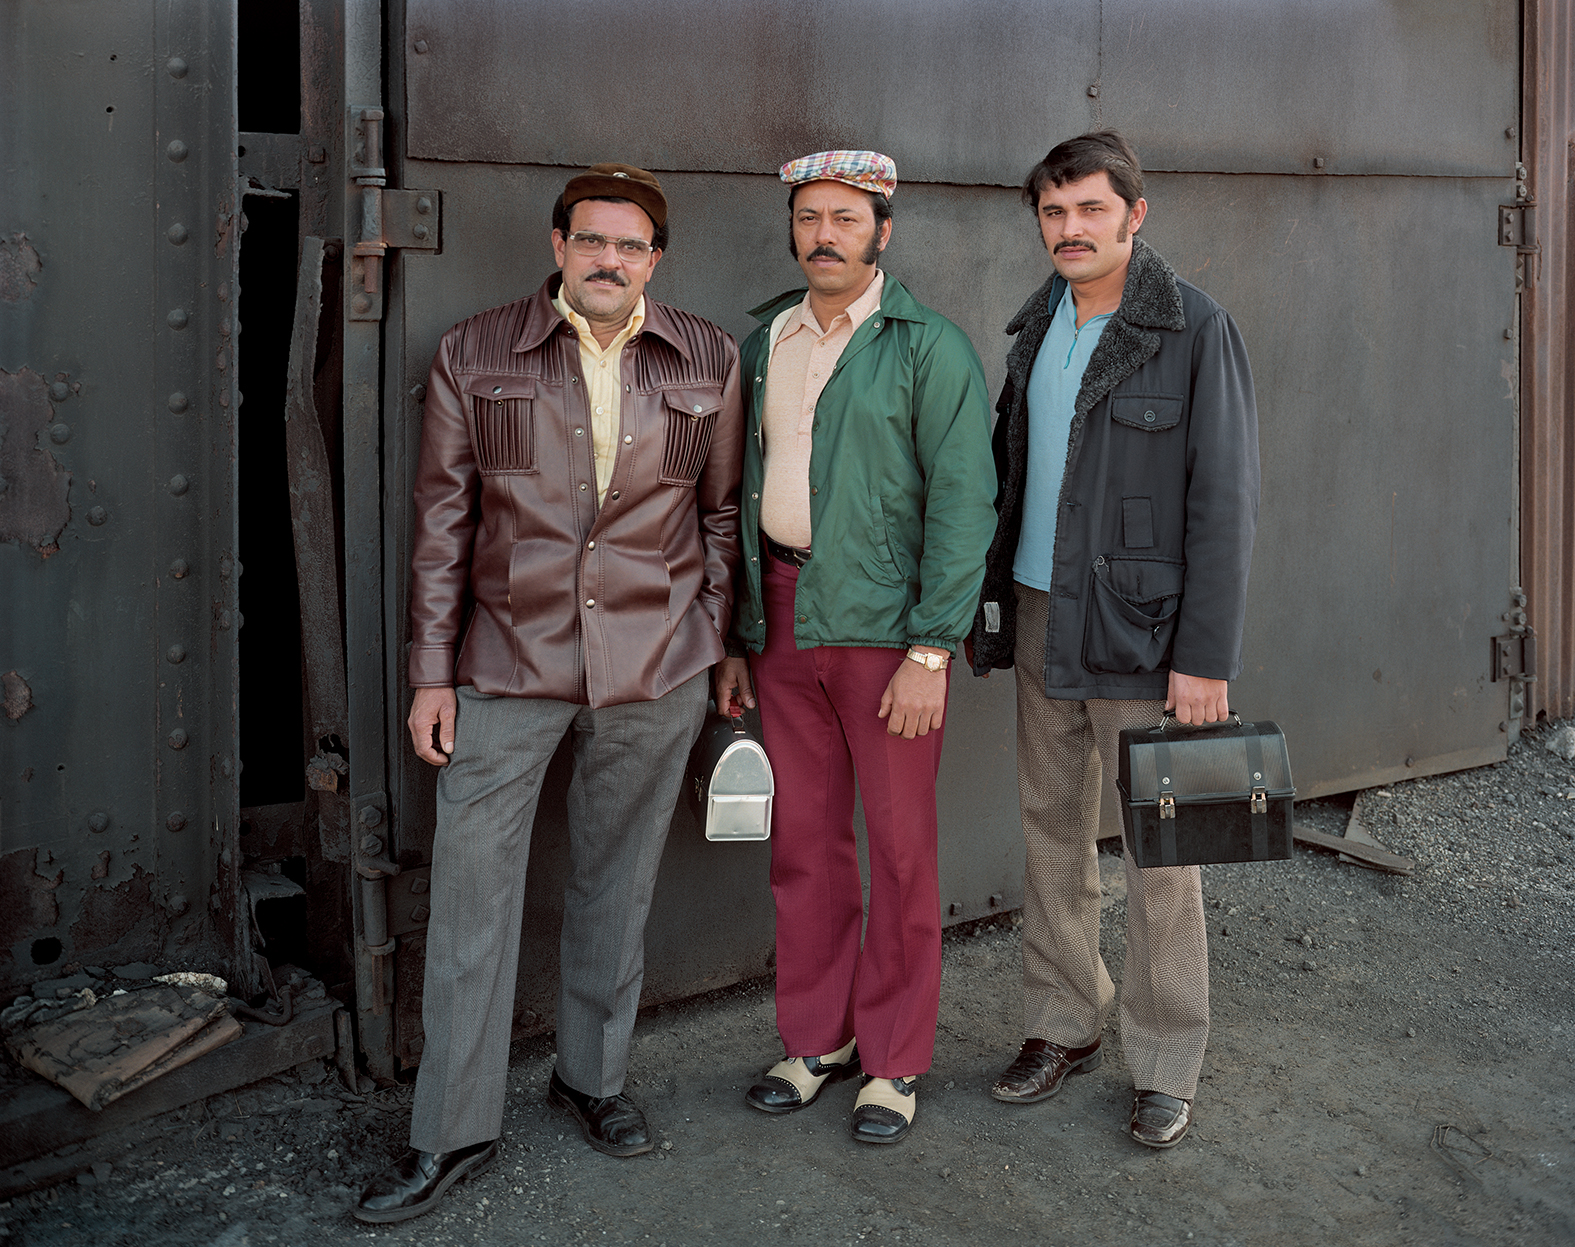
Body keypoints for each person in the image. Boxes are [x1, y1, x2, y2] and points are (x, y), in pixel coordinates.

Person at [356, 163, 743, 1223]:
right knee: (473, 900)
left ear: (655, 259)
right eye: (591, 240)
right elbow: (441, 527)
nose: (609, 260)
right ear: (559, 244)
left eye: (631, 245)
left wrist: (706, 637)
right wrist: (430, 672)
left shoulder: (709, 356)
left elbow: (719, 521)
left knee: (616, 886)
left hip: (654, 667)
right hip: (506, 664)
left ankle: (593, 1076)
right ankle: (451, 1129)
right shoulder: (477, 352)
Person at [968, 130, 1259, 1149]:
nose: (1070, 229)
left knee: (1161, 853)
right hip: (1045, 612)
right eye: (1053, 212)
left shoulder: (1192, 328)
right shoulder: (1037, 326)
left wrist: (1206, 655)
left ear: (1136, 213)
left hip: (1146, 632)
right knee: (1050, 830)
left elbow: (1224, 502)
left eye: (1091, 209)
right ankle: (1064, 1021)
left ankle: (1167, 1056)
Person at [714, 150, 996, 1146]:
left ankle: (896, 1057)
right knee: (806, 842)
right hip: (783, 615)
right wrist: (742, 633)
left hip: (887, 635)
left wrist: (932, 649)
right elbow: (736, 501)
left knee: (903, 848)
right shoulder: (766, 341)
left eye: (844, 216)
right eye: (808, 216)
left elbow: (966, 507)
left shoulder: (929, 348)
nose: (824, 233)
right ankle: (817, 1038)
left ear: (884, 230)